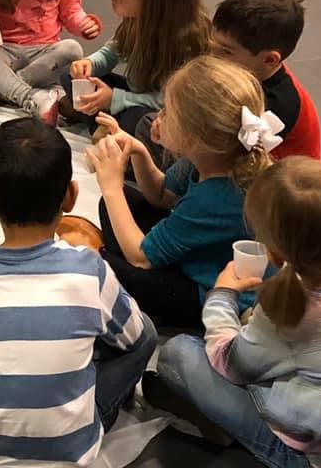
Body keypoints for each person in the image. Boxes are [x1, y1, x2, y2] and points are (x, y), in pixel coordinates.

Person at [0, 117, 156, 466]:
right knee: (145, 332)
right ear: (71, 196)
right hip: (68, 452)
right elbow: (135, 335)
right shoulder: (90, 269)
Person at [148, 157, 321, 467]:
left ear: (274, 253)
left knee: (178, 353)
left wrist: (222, 295)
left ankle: (244, 438)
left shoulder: (294, 310)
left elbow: (231, 364)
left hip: (313, 453)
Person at [88, 56, 276, 330]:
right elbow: (161, 196)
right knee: (121, 203)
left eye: (168, 113)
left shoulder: (218, 195)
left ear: (193, 135)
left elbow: (141, 258)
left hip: (212, 291)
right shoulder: (209, 158)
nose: (158, 117)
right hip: (200, 254)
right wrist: (138, 151)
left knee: (106, 266)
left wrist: (111, 186)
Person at [62, 0, 210, 137]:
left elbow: (165, 101)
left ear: (153, 2)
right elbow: (112, 52)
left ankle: (103, 122)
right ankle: (101, 117)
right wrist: (89, 64)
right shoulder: (137, 21)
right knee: (70, 75)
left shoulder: (186, 43)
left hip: (158, 109)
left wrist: (114, 98)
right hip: (134, 94)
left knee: (138, 120)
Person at [210, 0, 320, 160]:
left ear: (270, 60)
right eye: (211, 42)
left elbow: (228, 156)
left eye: (226, 51)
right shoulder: (250, 71)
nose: (211, 55)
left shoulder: (277, 106)